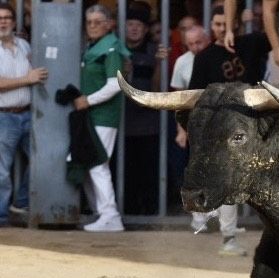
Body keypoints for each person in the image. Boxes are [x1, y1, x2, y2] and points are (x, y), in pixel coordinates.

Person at [187, 5, 270, 256]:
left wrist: (256, 16)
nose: (221, 29)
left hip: (257, 125)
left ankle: (278, 238)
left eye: (225, 24)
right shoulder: (204, 57)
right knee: (227, 180)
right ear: (211, 26)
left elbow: (276, 32)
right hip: (221, 131)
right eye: (217, 24)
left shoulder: (252, 43)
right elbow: (195, 98)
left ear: (234, 23)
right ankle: (229, 237)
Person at [74, 4, 130, 232]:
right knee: (90, 164)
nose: (93, 26)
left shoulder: (112, 48)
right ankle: (102, 213)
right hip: (92, 116)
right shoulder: (96, 45)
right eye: (89, 22)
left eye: (98, 22)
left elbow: (115, 84)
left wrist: (88, 100)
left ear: (109, 24)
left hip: (103, 115)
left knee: (97, 164)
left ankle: (110, 216)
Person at [0, 3, 47, 227]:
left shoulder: (25, 44)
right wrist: (27, 79)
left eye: (7, 17)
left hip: (28, 115)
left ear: (14, 21)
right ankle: (1, 217)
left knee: (43, 158)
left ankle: (20, 203)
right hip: (3, 116)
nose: (3, 21)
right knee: (1, 171)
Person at [170, 25, 210, 230]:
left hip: (218, 123)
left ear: (208, 39)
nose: (195, 47)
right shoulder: (182, 62)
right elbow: (179, 100)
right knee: (195, 171)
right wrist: (181, 129)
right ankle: (199, 219)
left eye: (199, 42)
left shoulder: (216, 56)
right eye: (191, 44)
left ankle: (223, 220)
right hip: (194, 124)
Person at [123, 6, 162, 215]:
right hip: (122, 123)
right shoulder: (116, 49)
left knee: (148, 171)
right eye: (130, 24)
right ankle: (127, 210)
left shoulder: (153, 51)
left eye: (139, 25)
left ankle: (151, 212)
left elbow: (157, 90)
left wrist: (159, 64)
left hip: (148, 123)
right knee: (125, 171)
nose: (134, 29)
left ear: (146, 29)